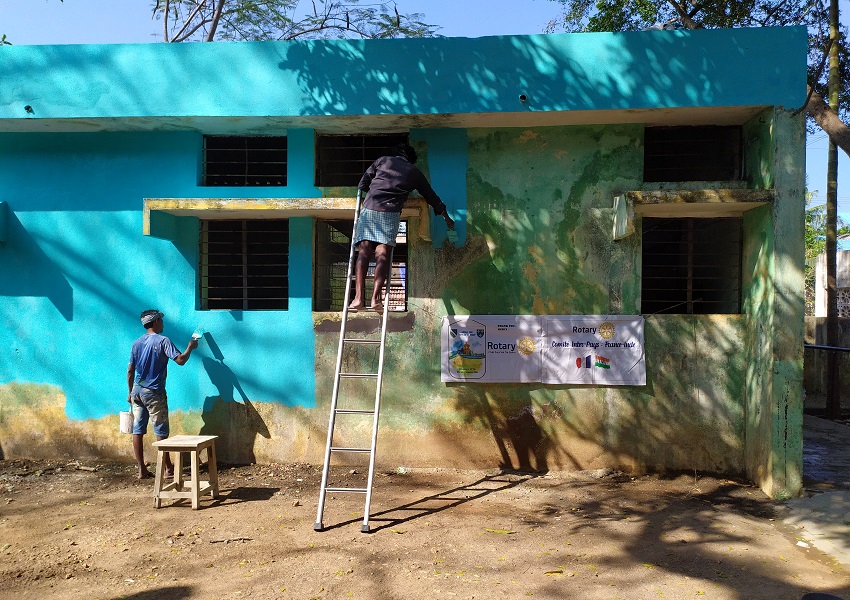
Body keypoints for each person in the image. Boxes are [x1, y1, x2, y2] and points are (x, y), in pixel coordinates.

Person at [350, 143, 454, 312]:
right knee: (382, 253)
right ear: (411, 159)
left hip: (371, 208)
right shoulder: (414, 172)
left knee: (364, 251)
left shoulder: (382, 161)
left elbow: (363, 183)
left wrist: (372, 189)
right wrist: (447, 218)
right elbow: (431, 197)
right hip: (391, 212)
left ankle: (358, 298)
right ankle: (376, 298)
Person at [127, 310, 198, 479]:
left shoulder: (136, 343)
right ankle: (167, 469)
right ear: (156, 321)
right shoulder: (163, 341)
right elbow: (180, 360)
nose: (163, 324)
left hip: (137, 390)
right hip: (154, 392)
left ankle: (141, 469)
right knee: (161, 431)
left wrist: (130, 392)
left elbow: (130, 370)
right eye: (161, 320)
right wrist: (190, 347)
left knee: (137, 431)